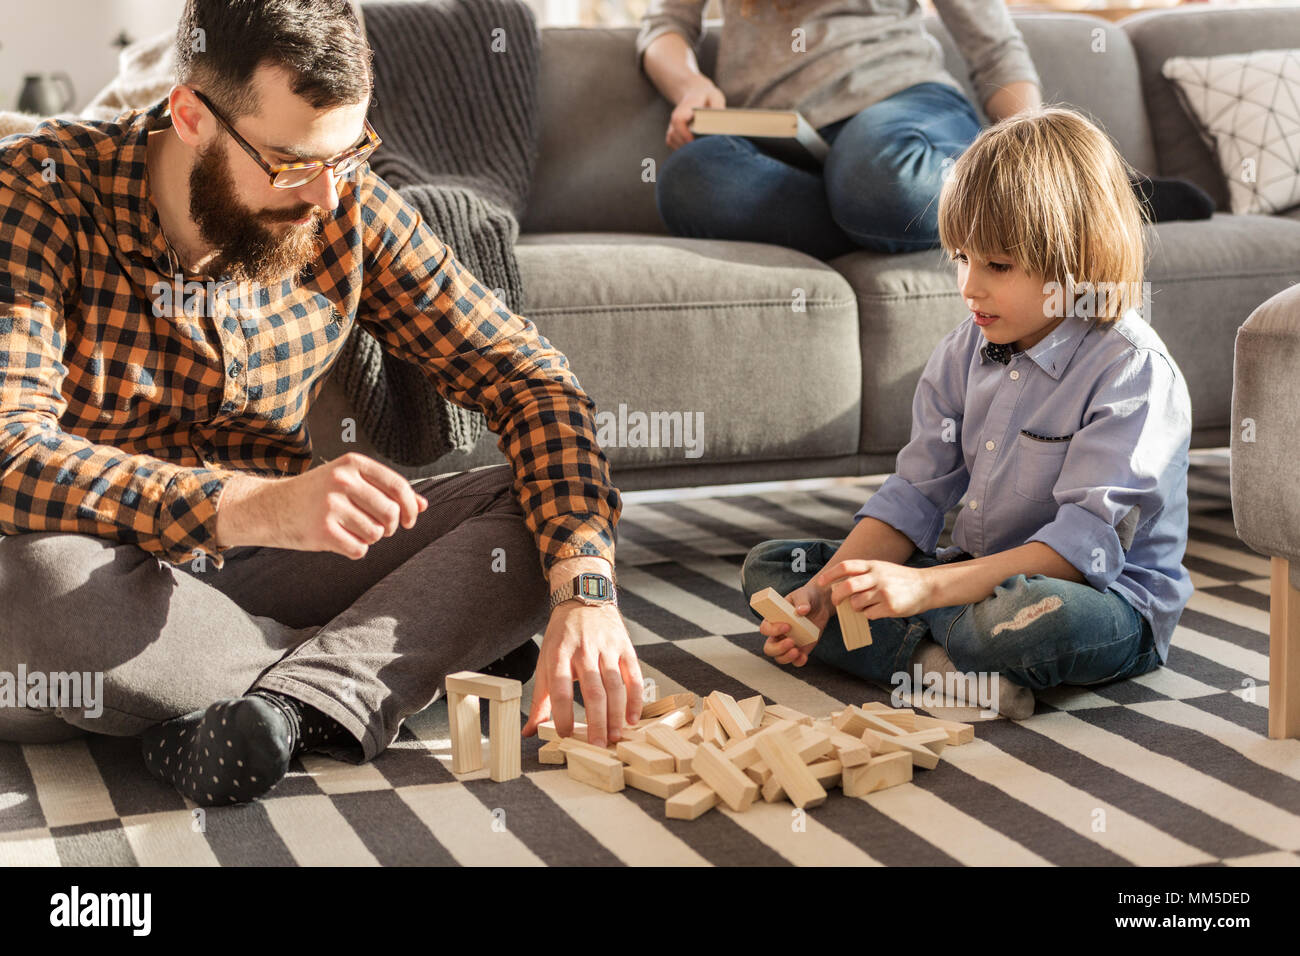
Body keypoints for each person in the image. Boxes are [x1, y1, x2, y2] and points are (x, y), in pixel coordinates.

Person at [0, 0, 642, 807]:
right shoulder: (36, 189)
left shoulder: (347, 203)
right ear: (190, 114)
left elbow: (529, 377)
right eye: (292, 164)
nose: (329, 199)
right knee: (28, 586)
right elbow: (10, 454)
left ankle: (260, 706)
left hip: (269, 571)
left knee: (537, 514)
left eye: (349, 155)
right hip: (100, 568)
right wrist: (251, 506)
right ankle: (361, 676)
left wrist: (584, 588)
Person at [739, 106, 1194, 718]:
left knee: (1030, 620)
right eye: (960, 257)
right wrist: (824, 593)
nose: (969, 287)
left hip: (1096, 600)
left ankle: (934, 650)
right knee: (776, 573)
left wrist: (922, 589)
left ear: (1075, 258)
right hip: (973, 579)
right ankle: (945, 668)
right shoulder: (965, 347)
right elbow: (916, 495)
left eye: (997, 266)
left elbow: (1080, 551)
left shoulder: (1131, 368)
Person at [637, 0, 1214, 260]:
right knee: (689, 179)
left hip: (902, 110)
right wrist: (688, 84)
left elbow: (996, 52)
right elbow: (665, 27)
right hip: (777, 139)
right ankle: (1055, 206)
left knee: (877, 178)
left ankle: (1063, 188)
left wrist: (1039, 151)